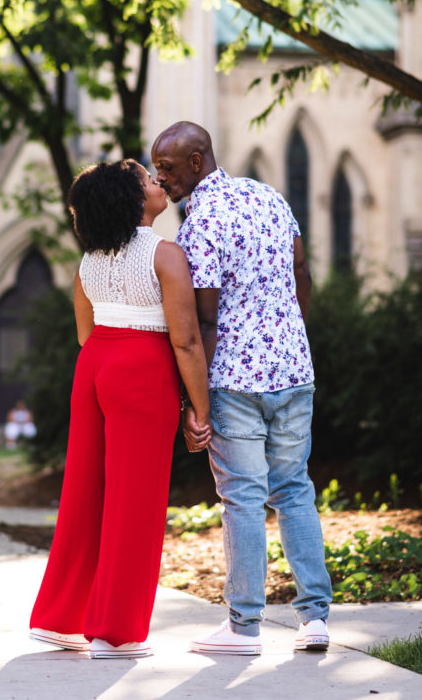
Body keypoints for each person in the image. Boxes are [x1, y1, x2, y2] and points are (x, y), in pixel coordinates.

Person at [151, 121, 332, 656]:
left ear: (198, 160)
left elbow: (203, 322)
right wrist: (292, 333)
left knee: (244, 499)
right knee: (295, 489)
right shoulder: (268, 195)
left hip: (235, 379)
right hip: (294, 372)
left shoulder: (200, 222)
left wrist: (193, 401)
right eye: (156, 169)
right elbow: (300, 266)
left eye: (168, 168)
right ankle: (315, 619)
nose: (163, 179)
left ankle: (243, 628)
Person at [29, 159, 211, 659]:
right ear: (134, 200)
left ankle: (59, 619)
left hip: (94, 368)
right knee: (135, 497)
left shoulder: (88, 261)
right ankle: (116, 631)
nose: (159, 183)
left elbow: (86, 334)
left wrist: (107, 367)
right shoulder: (165, 255)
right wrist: (201, 408)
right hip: (141, 368)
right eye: (150, 181)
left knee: (84, 492)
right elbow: (188, 341)